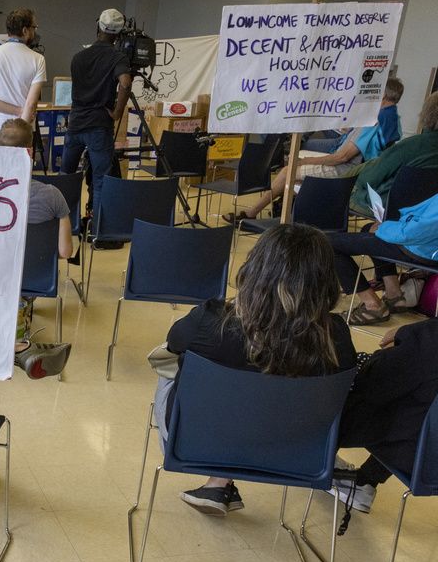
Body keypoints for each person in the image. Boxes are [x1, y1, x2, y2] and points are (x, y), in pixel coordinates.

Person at [163, 224, 357, 515]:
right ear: (326, 279)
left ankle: (219, 480)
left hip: (201, 442)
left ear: (255, 268)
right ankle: (219, 484)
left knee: (169, 368)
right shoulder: (336, 336)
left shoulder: (211, 322)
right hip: (298, 452)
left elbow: (174, 340)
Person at [226, 80, 406, 224]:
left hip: (347, 171)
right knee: (292, 173)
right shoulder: (394, 118)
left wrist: (306, 161)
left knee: (288, 171)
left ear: (381, 94)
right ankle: (284, 210)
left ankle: (254, 212)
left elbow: (341, 157)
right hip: (359, 169)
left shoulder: (373, 119)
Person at [331, 319, 438, 513]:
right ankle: (364, 481)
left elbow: (375, 386)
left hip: (420, 454)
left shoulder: (430, 339)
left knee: (344, 383)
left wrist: (400, 343)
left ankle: (321, 462)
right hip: (429, 454)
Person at [0, 118, 74, 379]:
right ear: (30, 153)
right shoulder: (53, 195)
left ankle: (6, 338)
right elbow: (66, 252)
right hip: (34, 276)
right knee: (22, 280)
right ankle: (21, 344)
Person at [61, 8, 132, 227]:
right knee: (101, 180)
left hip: (75, 124)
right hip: (99, 127)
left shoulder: (78, 57)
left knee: (67, 176)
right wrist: (118, 111)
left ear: (98, 27)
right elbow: (126, 82)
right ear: (118, 35)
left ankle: (66, 227)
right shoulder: (117, 57)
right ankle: (98, 229)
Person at [329, 192, 438, 324]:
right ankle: (395, 296)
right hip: (426, 247)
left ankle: (372, 305)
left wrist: (384, 228)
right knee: (367, 228)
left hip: (421, 250)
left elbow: (414, 232)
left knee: (328, 244)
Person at [349, 92, 438, 218]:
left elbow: (368, 179)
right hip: (425, 215)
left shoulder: (410, 146)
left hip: (384, 208)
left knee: (339, 190)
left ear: (427, 113)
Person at [0, 8, 46, 145]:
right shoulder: (38, 59)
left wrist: (17, 111)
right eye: (34, 27)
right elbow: (31, 103)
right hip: (24, 130)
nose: (35, 31)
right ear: (25, 31)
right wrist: (21, 114)